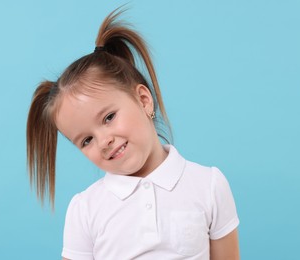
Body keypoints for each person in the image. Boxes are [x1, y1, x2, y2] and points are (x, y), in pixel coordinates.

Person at [27, 7, 240, 260]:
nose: (104, 141)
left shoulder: (209, 185)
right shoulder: (85, 210)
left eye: (108, 117)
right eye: (86, 140)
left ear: (143, 99)